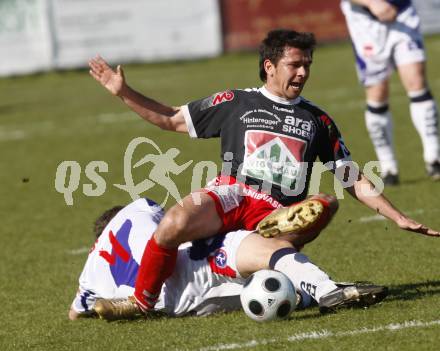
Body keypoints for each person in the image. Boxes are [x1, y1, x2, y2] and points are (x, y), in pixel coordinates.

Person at [88, 29, 439, 317]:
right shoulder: (234, 102)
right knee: (171, 224)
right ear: (270, 66)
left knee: (325, 203)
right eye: (295, 64)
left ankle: (315, 282)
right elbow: (170, 118)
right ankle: (140, 302)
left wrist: (397, 217)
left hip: (275, 213)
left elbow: (351, 176)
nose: (302, 72)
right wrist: (124, 93)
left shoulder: (317, 121)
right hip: (231, 194)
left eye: (307, 65)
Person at [69, 198, 387, 321]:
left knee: (248, 293)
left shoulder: (89, 272)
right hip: (188, 267)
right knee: (264, 247)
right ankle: (325, 288)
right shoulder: (138, 208)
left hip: (170, 307)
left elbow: (74, 313)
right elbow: (169, 231)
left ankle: (301, 295)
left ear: (95, 244)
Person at [340, 0, 440, 185]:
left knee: (416, 80)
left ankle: (434, 158)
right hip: (365, 21)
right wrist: (371, 2)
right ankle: (388, 167)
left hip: (402, 12)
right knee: (378, 92)